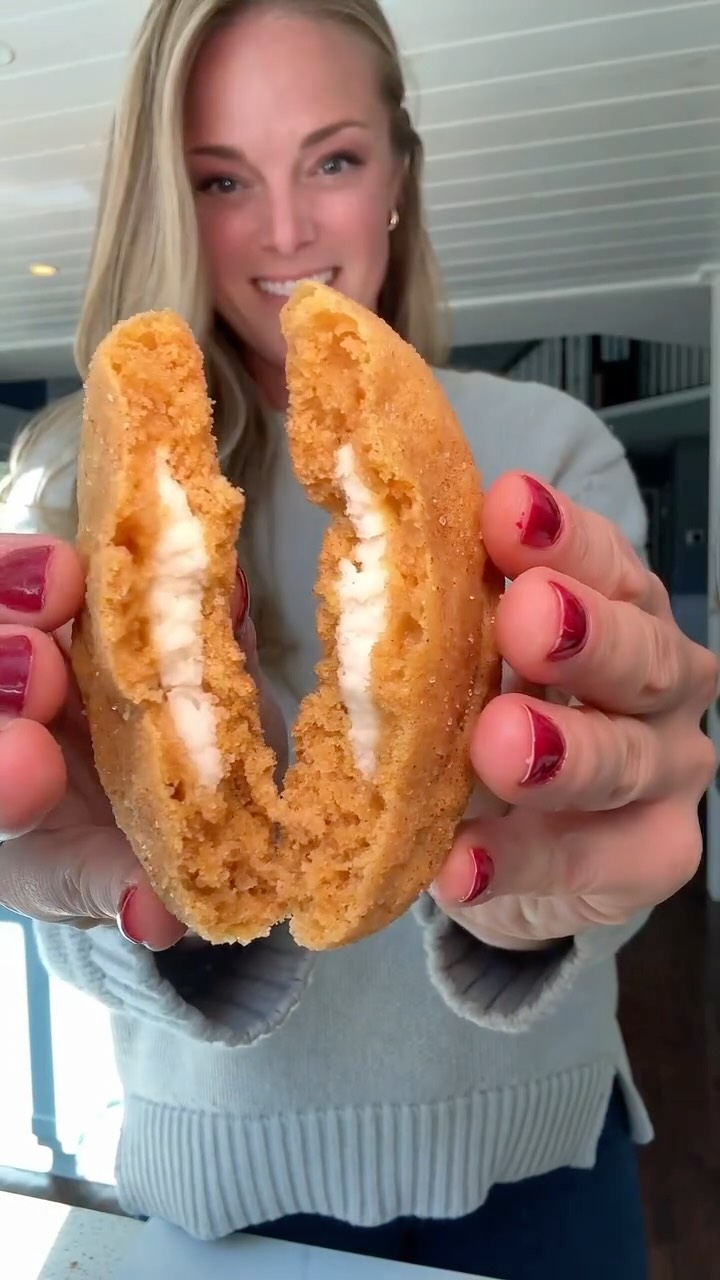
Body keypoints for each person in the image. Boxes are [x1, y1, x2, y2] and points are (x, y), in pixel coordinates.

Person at [0, 1, 715, 1276]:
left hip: (541, 1168)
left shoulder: (543, 451)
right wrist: (120, 894)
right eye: (222, 178)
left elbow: (611, 853)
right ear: (169, 197)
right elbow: (76, 910)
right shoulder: (78, 488)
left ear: (397, 177)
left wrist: (558, 876)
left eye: (331, 159)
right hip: (219, 1200)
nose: (284, 231)